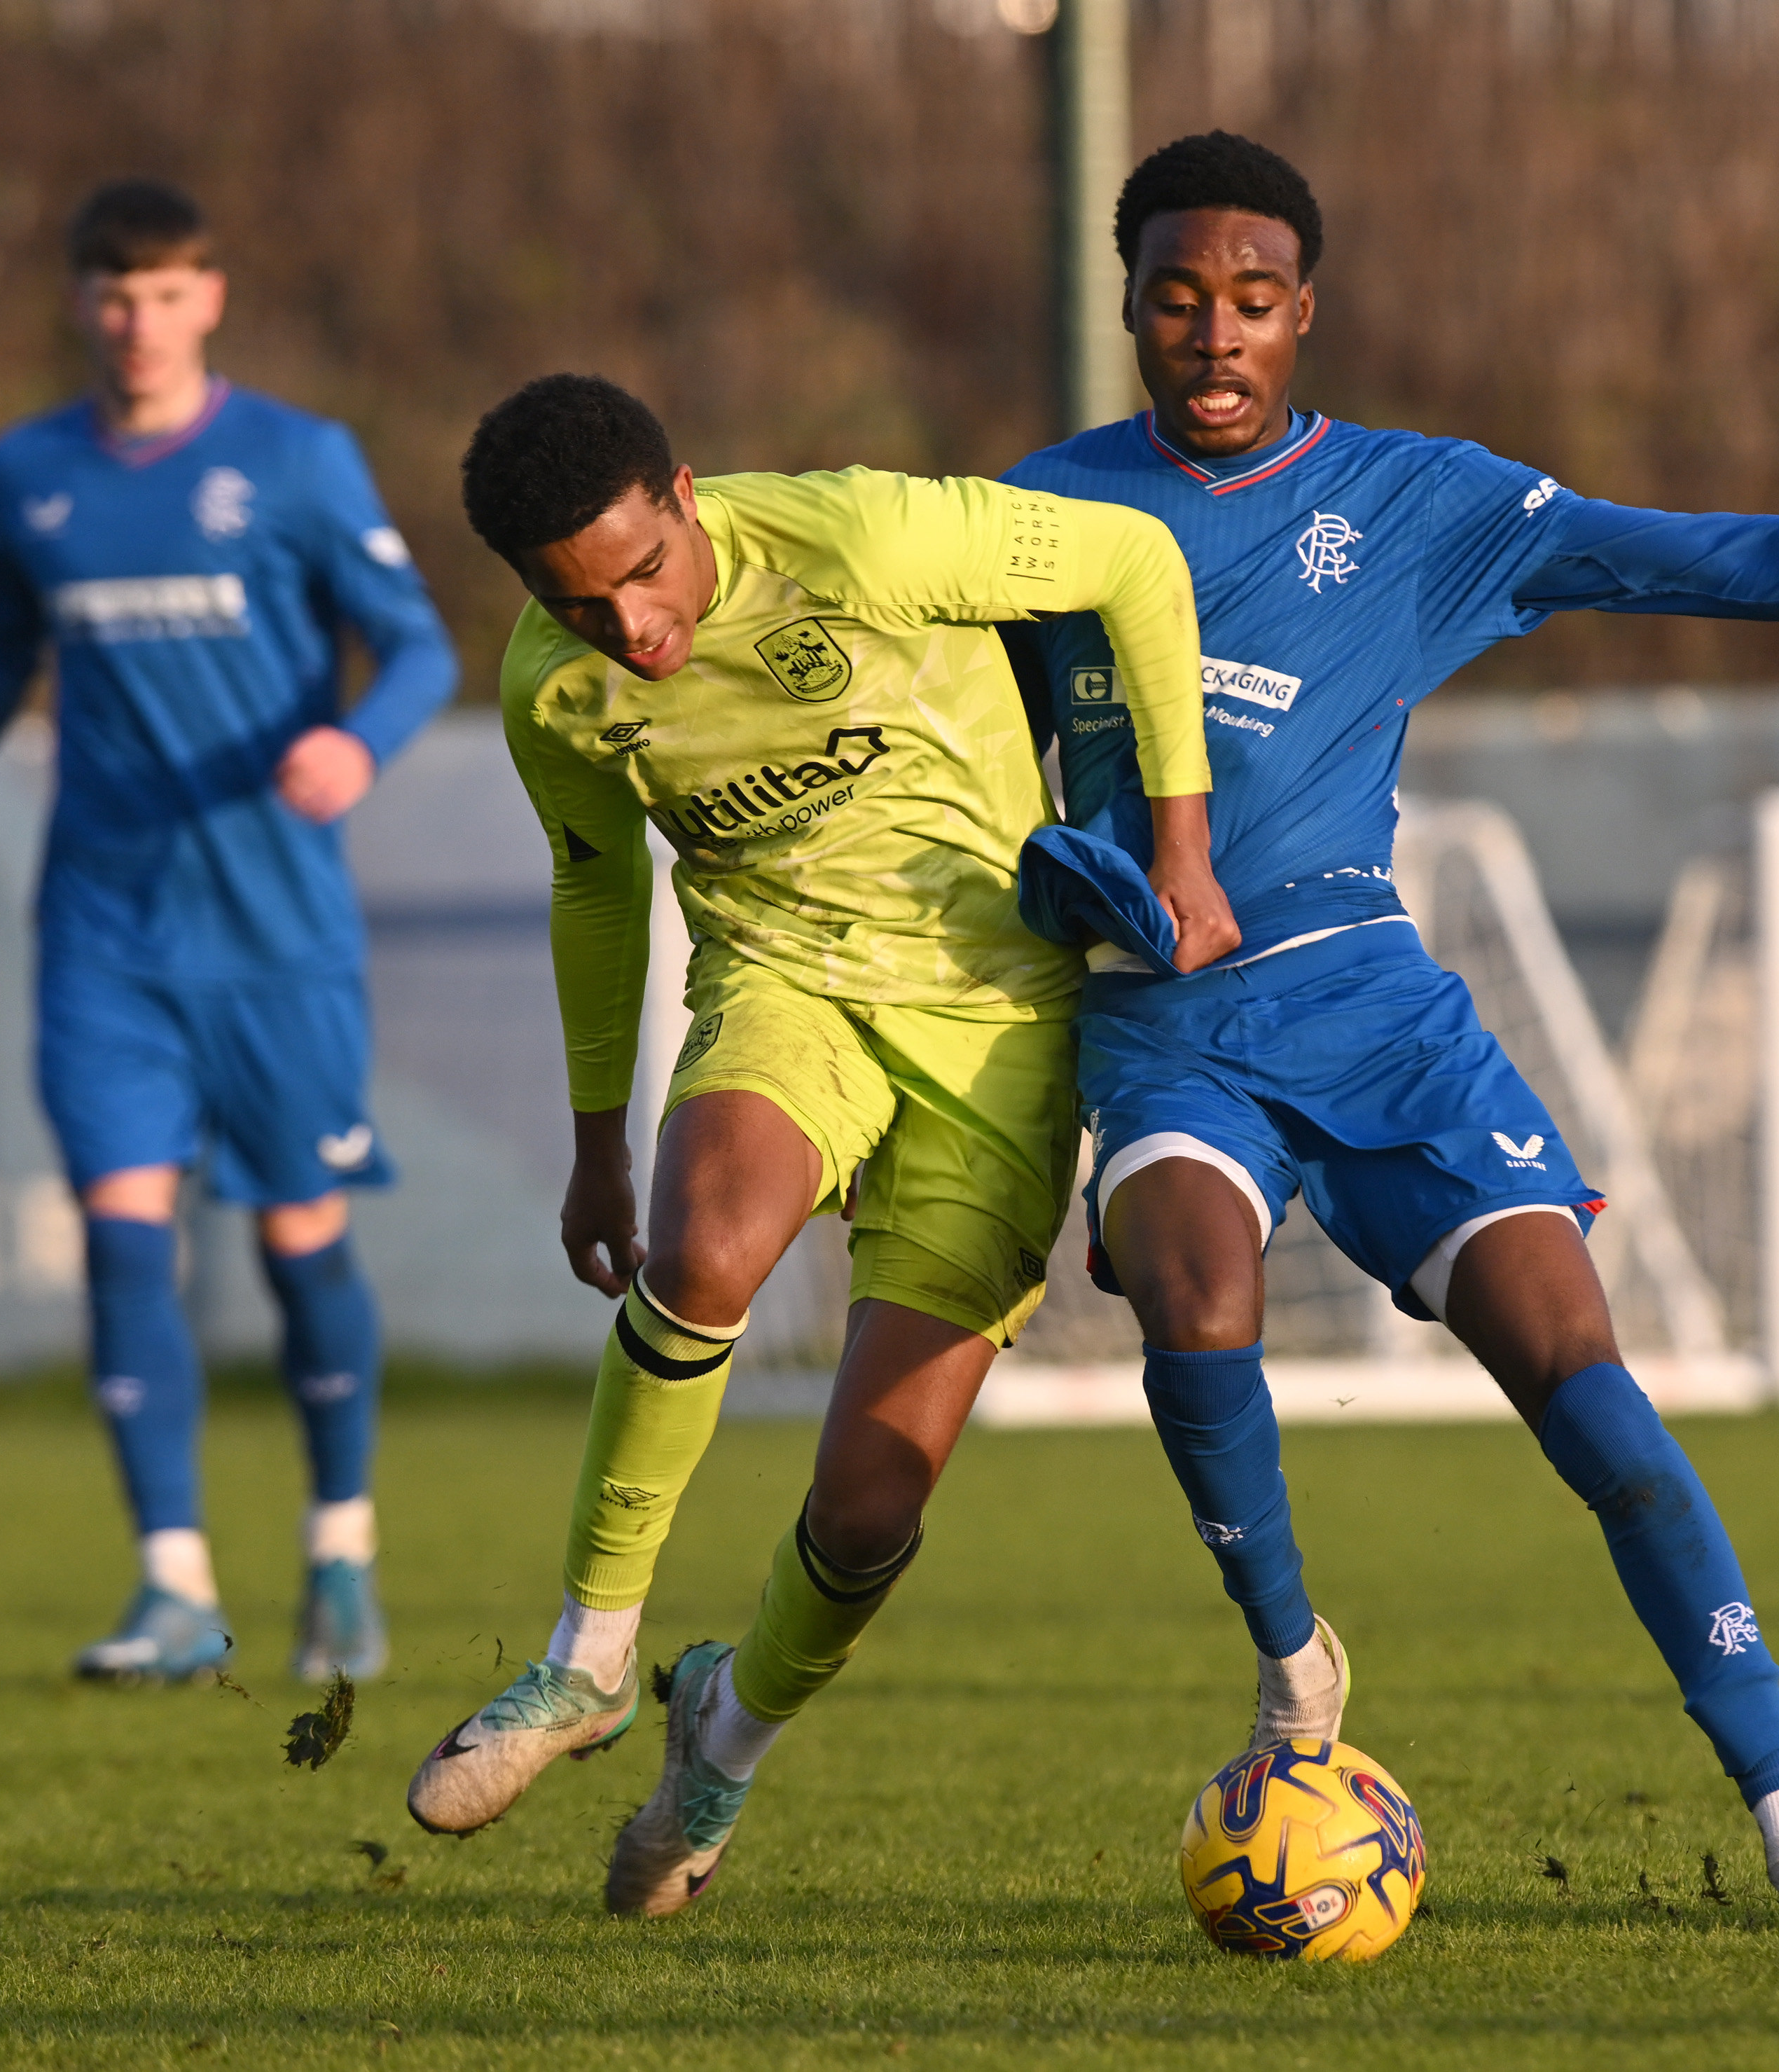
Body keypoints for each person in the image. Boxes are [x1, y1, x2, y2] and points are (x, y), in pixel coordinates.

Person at [1001, 132, 1779, 1940]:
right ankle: (1292, 1662)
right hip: (1168, 1020)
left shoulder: (1423, 503)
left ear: (1305, 313)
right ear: (1129, 307)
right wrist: (1053, 877)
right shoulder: (1041, 515)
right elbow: (948, 758)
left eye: (1252, 300)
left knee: (1596, 1398)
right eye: (1178, 297)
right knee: (1193, 1295)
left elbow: (1721, 556)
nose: (1214, 333)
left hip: (1374, 1001)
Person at [405, 374, 1232, 1918]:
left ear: (688, 495)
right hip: (786, 981)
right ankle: (586, 1658)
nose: (635, 631)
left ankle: (717, 1744)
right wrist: (598, 1144)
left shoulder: (855, 535)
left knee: (868, 1511)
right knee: (699, 1249)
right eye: (580, 606)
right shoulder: (554, 690)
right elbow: (594, 890)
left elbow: (1135, 563)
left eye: (647, 572)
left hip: (997, 1024)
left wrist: (1178, 845)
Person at [0, 178, 457, 1687]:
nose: (135, 321)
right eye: (110, 292)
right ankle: (173, 1594)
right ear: (80, 302)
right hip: (105, 932)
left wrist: (359, 744)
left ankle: (341, 1556)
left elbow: (416, 646)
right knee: (123, 1238)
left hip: (275, 934)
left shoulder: (294, 459)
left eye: (163, 292)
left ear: (210, 297)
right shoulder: (30, 472)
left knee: (298, 1243)